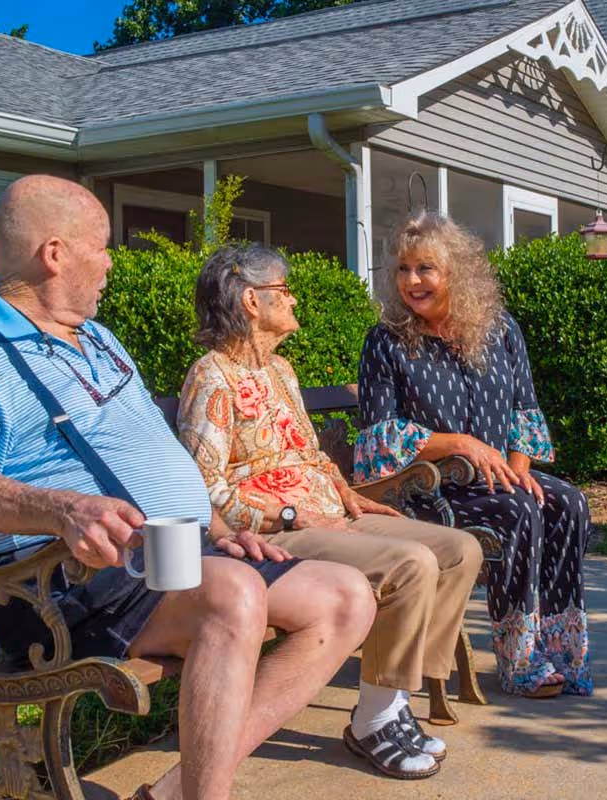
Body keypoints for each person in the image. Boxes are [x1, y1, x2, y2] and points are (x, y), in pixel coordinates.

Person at [0, 175, 376, 800]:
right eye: (102, 246)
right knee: (233, 597)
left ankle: (175, 792)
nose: (111, 262)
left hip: (170, 558)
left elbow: (151, 457)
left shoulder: (101, 340)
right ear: (55, 254)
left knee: (345, 596)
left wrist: (220, 532)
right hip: (54, 582)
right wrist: (64, 508)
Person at [177, 242, 483, 781]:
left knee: (460, 549)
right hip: (279, 532)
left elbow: (309, 452)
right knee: (411, 562)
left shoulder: (281, 371)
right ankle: (377, 717)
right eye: (283, 290)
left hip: (331, 514)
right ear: (252, 300)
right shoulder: (212, 377)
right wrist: (294, 516)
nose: (293, 299)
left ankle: (388, 700)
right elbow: (206, 491)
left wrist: (347, 491)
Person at [354, 212, 595, 699]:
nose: (411, 281)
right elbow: (380, 433)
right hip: (425, 486)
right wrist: (459, 443)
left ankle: (563, 653)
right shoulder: (387, 341)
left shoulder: (500, 328)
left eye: (425, 268)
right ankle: (520, 660)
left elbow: (524, 409)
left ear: (457, 272)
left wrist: (517, 469)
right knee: (520, 509)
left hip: (490, 479)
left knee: (566, 502)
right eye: (402, 269)